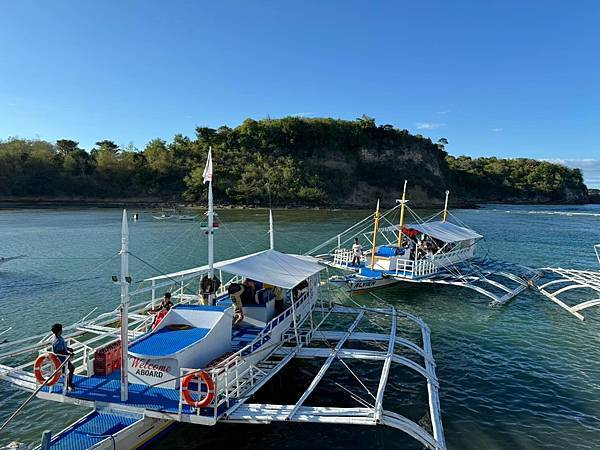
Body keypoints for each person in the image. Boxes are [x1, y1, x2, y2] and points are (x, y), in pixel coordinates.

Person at [51, 323, 75, 391]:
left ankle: (69, 384)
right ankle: (68, 386)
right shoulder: (57, 341)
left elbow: (62, 347)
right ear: (60, 331)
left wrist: (68, 348)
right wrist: (70, 354)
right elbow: (61, 352)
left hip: (63, 359)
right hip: (61, 360)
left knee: (70, 369)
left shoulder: (56, 337)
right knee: (67, 371)